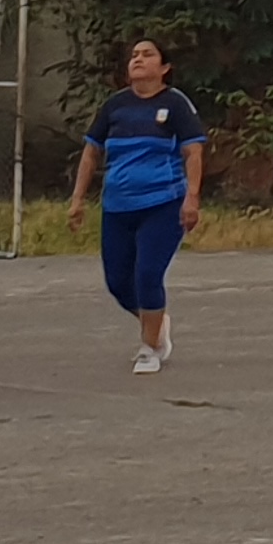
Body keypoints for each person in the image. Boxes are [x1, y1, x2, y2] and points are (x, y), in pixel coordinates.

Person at [65, 36, 206, 372]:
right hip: (117, 207)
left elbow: (193, 152)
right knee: (118, 282)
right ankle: (155, 321)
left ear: (165, 67)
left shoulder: (175, 104)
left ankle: (150, 347)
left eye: (147, 54)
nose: (138, 60)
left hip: (163, 204)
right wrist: (78, 199)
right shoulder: (115, 106)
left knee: (147, 274)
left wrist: (192, 198)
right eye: (134, 55)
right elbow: (91, 152)